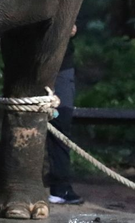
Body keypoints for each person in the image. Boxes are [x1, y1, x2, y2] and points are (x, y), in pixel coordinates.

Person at [46, 24, 82, 205]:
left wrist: (72, 27)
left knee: (61, 122)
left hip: (62, 66)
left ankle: (60, 187)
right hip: (30, 62)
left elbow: (73, 26)